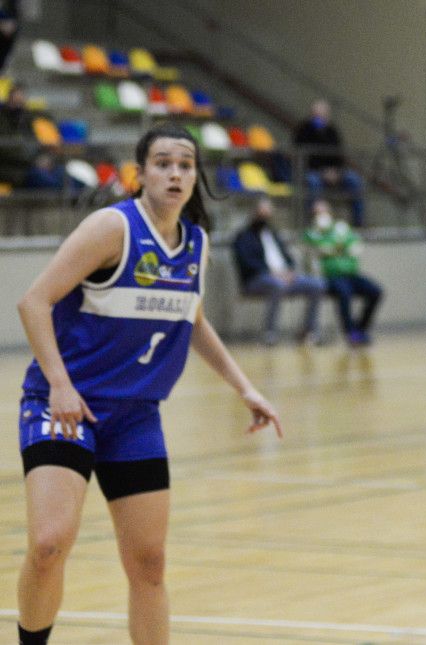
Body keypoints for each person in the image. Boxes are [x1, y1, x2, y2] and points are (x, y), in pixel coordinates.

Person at [15, 123, 282, 645]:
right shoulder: (111, 227)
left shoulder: (196, 243)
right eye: (163, 163)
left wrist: (244, 387)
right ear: (140, 175)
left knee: (150, 562)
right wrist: (60, 385)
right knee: (49, 545)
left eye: (185, 165)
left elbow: (194, 321)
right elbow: (34, 302)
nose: (176, 173)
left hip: (135, 416)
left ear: (196, 177)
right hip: (66, 407)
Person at [232, 196, 326, 345]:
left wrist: (289, 271)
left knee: (317, 285)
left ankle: (309, 331)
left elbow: (289, 258)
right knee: (277, 285)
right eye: (262, 213)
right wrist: (273, 273)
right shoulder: (243, 236)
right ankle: (270, 333)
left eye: (268, 213)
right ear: (254, 213)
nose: (265, 216)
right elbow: (247, 263)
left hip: (284, 277)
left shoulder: (274, 234)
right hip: (257, 280)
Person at [302, 198, 383, 345]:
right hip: (330, 276)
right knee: (344, 294)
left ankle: (360, 329)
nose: (321, 215)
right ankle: (350, 333)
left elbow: (354, 247)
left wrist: (333, 249)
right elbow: (319, 250)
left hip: (351, 274)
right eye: (317, 212)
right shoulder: (311, 233)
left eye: (323, 211)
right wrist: (338, 247)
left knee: (376, 291)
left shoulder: (341, 227)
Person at [293, 98, 365, 227]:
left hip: (334, 172)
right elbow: (303, 156)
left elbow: (339, 155)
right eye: (316, 114)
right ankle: (312, 224)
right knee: (312, 181)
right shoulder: (303, 130)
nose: (319, 117)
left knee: (354, 179)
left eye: (322, 114)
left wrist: (336, 172)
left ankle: (359, 224)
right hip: (313, 172)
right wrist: (323, 172)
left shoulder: (332, 131)